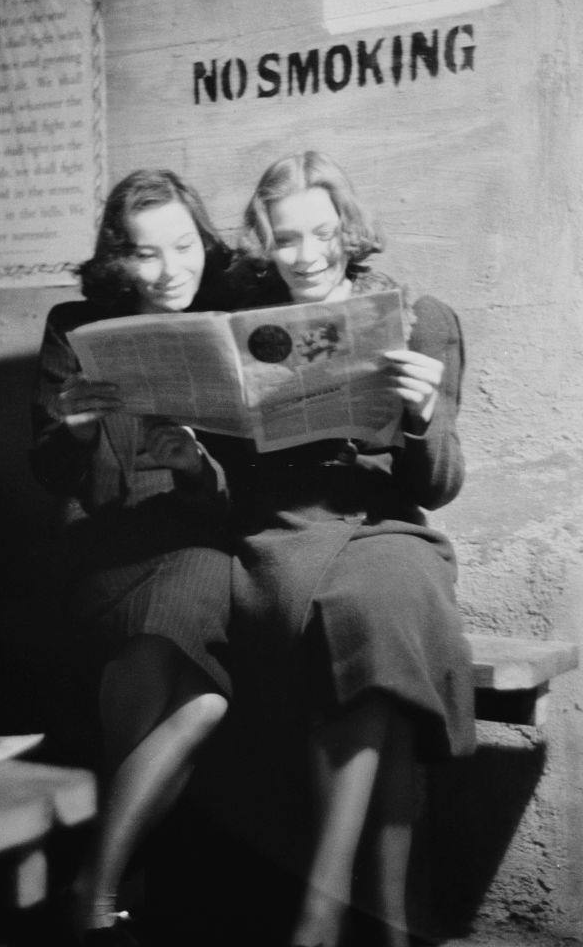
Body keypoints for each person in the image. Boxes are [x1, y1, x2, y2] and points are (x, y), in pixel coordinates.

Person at [207, 151, 476, 947]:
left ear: (349, 230)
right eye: (287, 239)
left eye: (323, 233)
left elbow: (437, 486)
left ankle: (321, 913)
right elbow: (230, 478)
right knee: (382, 623)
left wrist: (422, 417)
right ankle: (386, 918)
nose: (309, 255)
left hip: (388, 529)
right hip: (282, 541)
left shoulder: (420, 318)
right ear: (266, 244)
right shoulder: (244, 327)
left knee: (384, 593)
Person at [30, 169, 235, 946]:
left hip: (199, 539)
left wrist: (192, 467)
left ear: (201, 241)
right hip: (104, 551)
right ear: (121, 261)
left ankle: (97, 888)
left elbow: (238, 494)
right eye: (147, 255)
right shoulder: (76, 324)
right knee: (193, 691)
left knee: (194, 660)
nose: (170, 270)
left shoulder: (229, 322)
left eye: (183, 246)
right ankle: (117, 886)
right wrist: (76, 431)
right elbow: (47, 473)